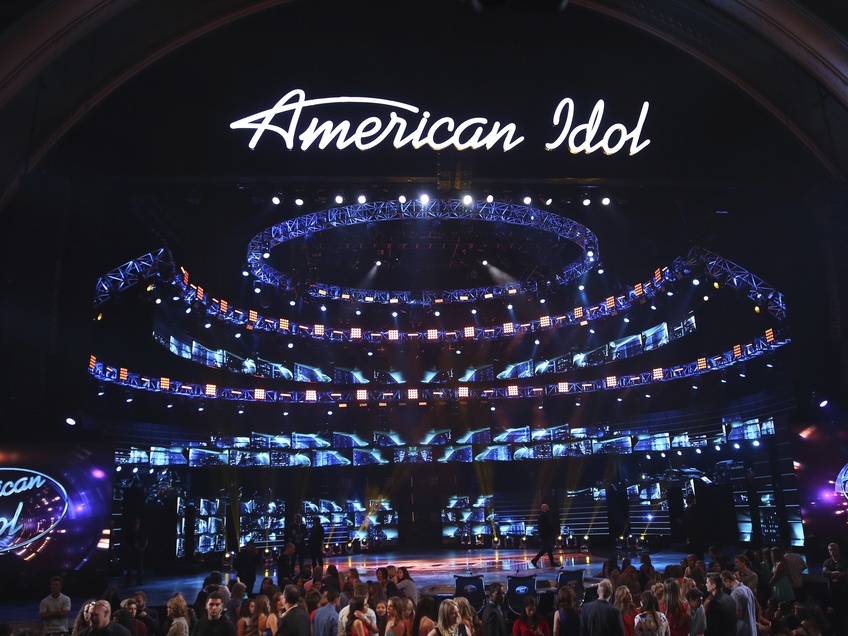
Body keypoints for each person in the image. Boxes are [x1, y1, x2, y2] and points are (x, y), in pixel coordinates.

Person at [531, 504, 558, 569]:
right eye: (547, 508)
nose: (548, 509)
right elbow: (544, 527)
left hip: (546, 535)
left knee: (549, 550)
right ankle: (534, 560)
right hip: (545, 536)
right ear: (545, 509)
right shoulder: (543, 517)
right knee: (545, 549)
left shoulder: (545, 516)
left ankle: (552, 562)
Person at [124, 519, 149, 586]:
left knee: (139, 567)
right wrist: (129, 548)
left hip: (139, 551)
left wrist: (143, 548)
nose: (136, 525)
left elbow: (146, 540)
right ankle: (128, 582)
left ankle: (139, 581)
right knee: (130, 567)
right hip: (131, 551)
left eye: (137, 524)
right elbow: (126, 541)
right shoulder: (130, 532)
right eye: (135, 524)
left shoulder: (142, 532)